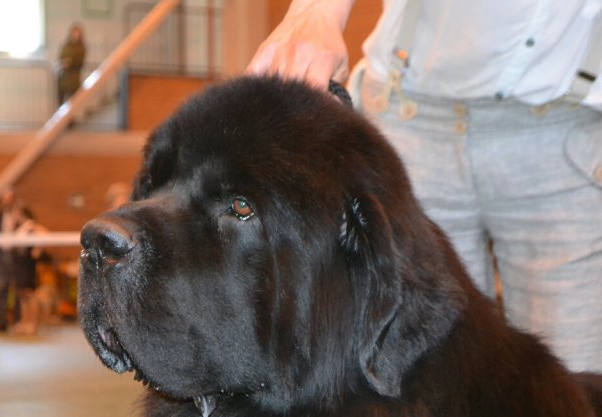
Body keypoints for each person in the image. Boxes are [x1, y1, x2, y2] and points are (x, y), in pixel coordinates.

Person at [247, 0, 602, 372]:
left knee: (572, 395)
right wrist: (316, 11)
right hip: (409, 122)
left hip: (564, 132)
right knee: (412, 383)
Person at [11, 204, 49, 335]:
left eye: (16, 213)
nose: (14, 215)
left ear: (22, 213)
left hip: (27, 263)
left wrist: (37, 250)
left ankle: (32, 324)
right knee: (22, 295)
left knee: (30, 294)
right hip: (19, 263)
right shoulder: (19, 227)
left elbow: (45, 234)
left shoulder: (31, 225)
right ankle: (24, 322)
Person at [0, 188, 18, 332]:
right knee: (1, 288)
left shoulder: (18, 215)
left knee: (17, 289)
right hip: (2, 254)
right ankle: (1, 321)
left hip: (15, 256)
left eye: (9, 199)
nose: (6, 202)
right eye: (4, 199)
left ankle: (17, 320)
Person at [57, 23, 86, 104]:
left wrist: (70, 63)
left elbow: (80, 61)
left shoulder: (81, 47)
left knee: (73, 103)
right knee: (61, 103)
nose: (75, 35)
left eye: (77, 33)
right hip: (63, 79)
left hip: (73, 80)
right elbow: (60, 56)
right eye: (74, 33)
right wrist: (63, 62)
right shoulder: (66, 45)